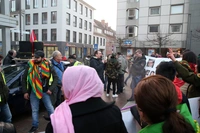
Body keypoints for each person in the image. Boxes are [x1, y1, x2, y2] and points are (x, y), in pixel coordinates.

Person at [45, 66, 128, 133]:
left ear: (74, 86)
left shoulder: (58, 123)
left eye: (65, 84)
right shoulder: (114, 112)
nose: (62, 89)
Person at [22, 50, 58, 133]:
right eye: (35, 57)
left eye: (37, 58)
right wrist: (25, 92)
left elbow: (56, 78)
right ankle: (34, 126)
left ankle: (55, 124)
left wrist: (50, 89)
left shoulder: (48, 65)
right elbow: (24, 78)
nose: (35, 59)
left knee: (50, 108)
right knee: (34, 110)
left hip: (45, 91)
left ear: (42, 58)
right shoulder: (30, 65)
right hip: (34, 91)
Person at [0, 57, 12, 123]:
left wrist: (7, 90)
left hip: (4, 100)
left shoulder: (1, 71)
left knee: (8, 117)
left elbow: (3, 84)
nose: (1, 63)